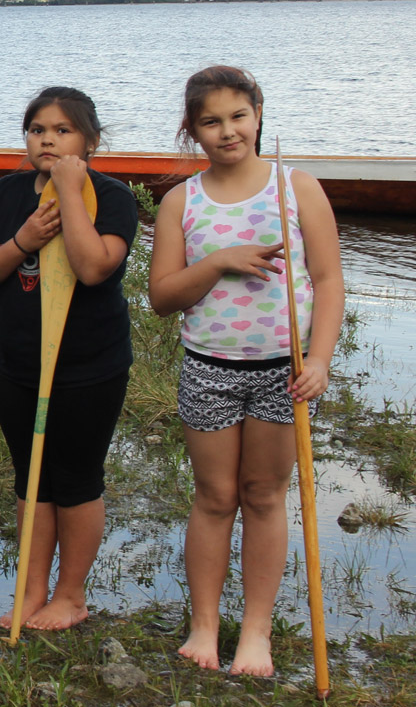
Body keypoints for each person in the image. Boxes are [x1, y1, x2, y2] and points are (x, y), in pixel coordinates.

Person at [148, 66, 343, 677]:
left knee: (263, 496)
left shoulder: (298, 188)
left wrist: (320, 360)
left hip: (282, 373)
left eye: (238, 115)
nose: (227, 131)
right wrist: (220, 262)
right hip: (208, 368)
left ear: (259, 113)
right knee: (214, 497)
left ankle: (254, 632)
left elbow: (331, 281)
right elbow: (162, 296)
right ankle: (205, 626)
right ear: (192, 129)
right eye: (211, 121)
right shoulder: (183, 200)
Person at [0, 87, 138, 631]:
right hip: (18, 364)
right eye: (38, 129)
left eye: (63, 130)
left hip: (89, 365)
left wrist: (69, 187)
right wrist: (23, 240)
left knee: (76, 476)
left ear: (91, 140)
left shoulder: (112, 197)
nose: (48, 139)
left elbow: (92, 268)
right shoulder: (7, 194)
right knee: (30, 477)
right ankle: (31, 590)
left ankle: (71, 595)